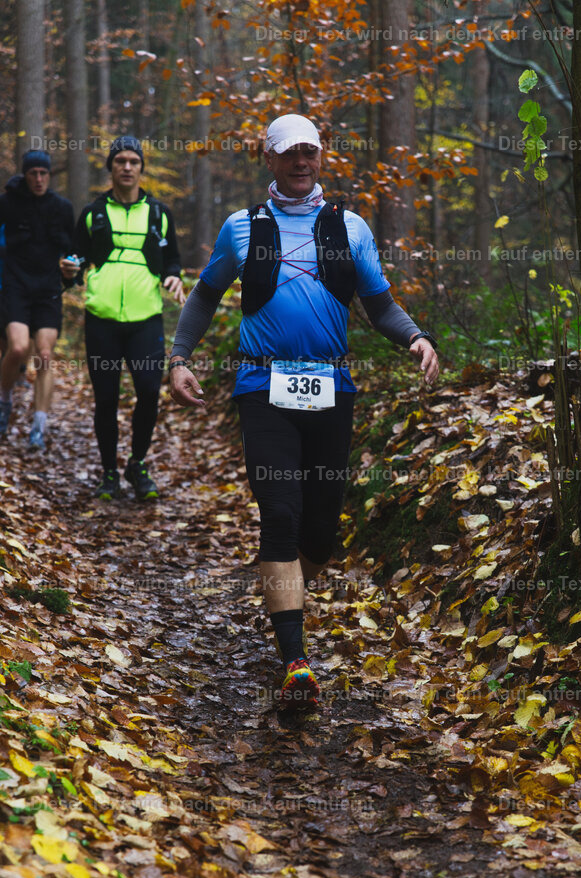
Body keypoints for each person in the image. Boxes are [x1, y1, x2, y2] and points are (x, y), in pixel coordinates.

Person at [169, 114, 439, 709]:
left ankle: (278, 588)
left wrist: (417, 338)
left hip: (331, 388)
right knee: (282, 513)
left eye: (310, 152)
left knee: (320, 531)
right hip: (262, 387)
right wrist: (180, 356)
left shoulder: (350, 227)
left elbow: (381, 305)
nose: (301, 162)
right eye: (289, 153)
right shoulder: (243, 228)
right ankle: (295, 660)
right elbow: (206, 293)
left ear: (321, 157)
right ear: (269, 159)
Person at [61, 135, 185, 500]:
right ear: (111, 168)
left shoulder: (159, 214)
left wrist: (174, 274)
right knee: (106, 398)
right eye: (120, 161)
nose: (127, 167)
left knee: (149, 392)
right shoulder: (93, 213)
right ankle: (108, 473)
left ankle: (137, 463)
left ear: (141, 168)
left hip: (145, 318)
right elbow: (76, 259)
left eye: (133, 161)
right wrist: (68, 271)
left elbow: (173, 258)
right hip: (101, 319)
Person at [0, 150, 74, 447]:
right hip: (15, 285)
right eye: (34, 173)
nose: (40, 179)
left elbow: (72, 251)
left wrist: (72, 270)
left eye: (44, 173)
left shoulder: (62, 207)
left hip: (48, 288)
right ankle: (5, 401)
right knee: (18, 349)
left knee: (44, 355)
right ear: (25, 175)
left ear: (50, 176)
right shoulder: (7, 203)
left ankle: (39, 425)